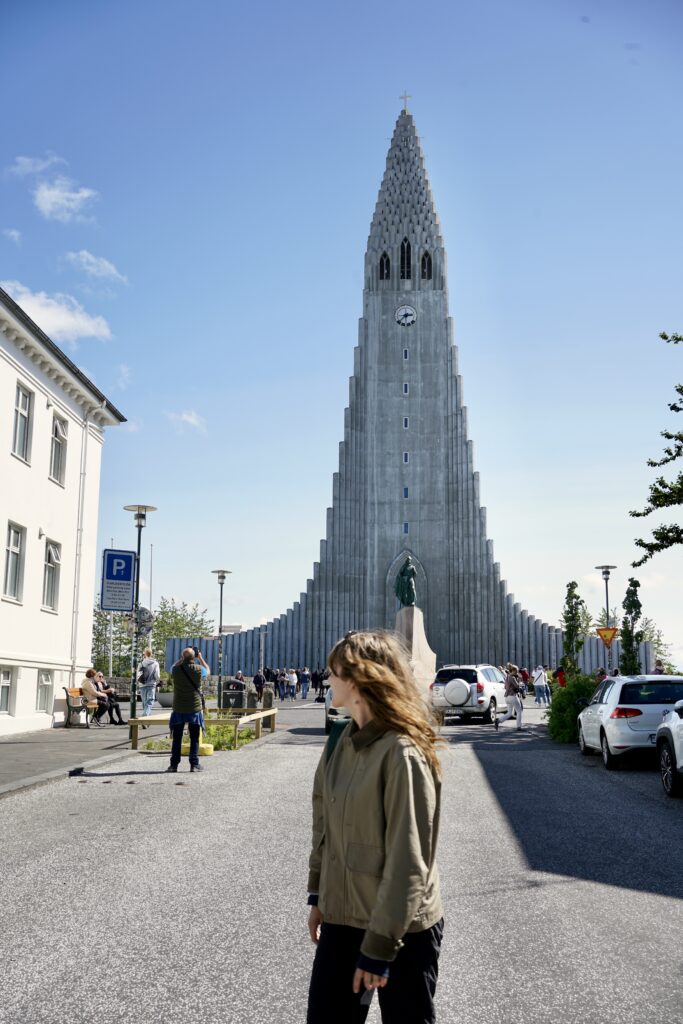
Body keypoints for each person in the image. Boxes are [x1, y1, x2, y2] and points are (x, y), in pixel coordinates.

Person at [307, 630, 444, 1024]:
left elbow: (409, 860)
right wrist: (318, 894)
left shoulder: (403, 752)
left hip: (401, 932)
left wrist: (380, 947)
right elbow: (325, 826)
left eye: (333, 672)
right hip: (343, 919)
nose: (326, 679)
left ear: (356, 680)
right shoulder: (339, 741)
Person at [166, 648, 205, 773]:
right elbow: (208, 670)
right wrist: (200, 658)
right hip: (194, 708)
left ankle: (173, 765)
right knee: (194, 737)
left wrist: (182, 659)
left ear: (182, 658)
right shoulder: (199, 670)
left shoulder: (176, 670)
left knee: (177, 738)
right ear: (194, 657)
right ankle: (194, 764)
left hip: (179, 708)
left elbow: (173, 666)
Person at [495, 665, 523, 732]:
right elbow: (517, 686)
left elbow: (505, 687)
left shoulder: (507, 677)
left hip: (507, 697)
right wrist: (519, 680)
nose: (517, 672)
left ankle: (498, 721)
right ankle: (519, 726)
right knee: (519, 711)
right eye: (516, 671)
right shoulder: (512, 677)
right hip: (513, 696)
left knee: (509, 713)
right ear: (513, 670)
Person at [138, 648, 160, 717]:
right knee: (150, 701)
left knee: (145, 702)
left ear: (144, 654)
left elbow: (138, 674)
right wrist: (157, 682)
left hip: (142, 684)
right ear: (151, 654)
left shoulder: (141, 663)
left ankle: (146, 719)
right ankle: (145, 716)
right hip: (151, 684)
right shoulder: (155, 663)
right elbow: (157, 675)